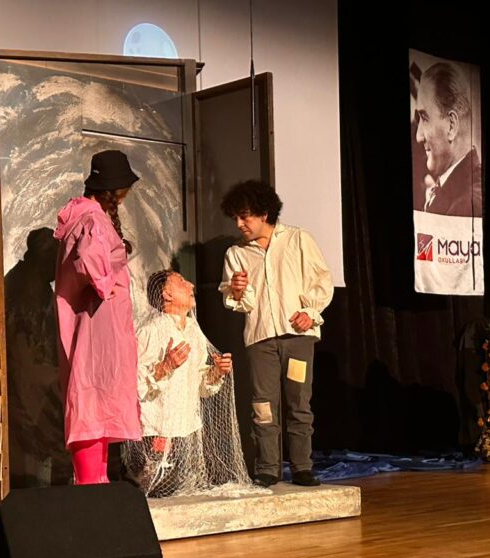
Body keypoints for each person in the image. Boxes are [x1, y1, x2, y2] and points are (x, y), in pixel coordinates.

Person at [218, 180, 334, 487]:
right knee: (263, 406)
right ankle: (268, 467)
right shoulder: (236, 254)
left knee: (299, 403)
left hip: (296, 338)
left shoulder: (297, 239)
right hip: (261, 340)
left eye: (245, 217)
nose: (239, 224)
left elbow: (322, 282)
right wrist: (237, 290)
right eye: (236, 218)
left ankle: (302, 466)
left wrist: (310, 313)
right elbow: (240, 303)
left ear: (264, 213)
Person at [53, 149, 142, 484]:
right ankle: (91, 485)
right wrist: (106, 285)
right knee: (92, 401)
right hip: (96, 326)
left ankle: (96, 483)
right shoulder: (92, 220)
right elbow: (89, 258)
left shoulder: (88, 216)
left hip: (97, 323)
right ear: (113, 189)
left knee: (98, 403)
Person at [125, 270, 253, 497]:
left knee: (183, 493)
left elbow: (201, 387)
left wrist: (216, 372)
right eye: (181, 282)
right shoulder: (150, 331)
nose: (191, 285)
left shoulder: (194, 331)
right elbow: (132, 384)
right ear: (167, 294)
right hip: (156, 431)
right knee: (157, 493)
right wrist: (165, 367)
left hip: (186, 431)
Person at [414, 62, 483, 217]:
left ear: (451, 125)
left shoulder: (466, 204)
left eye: (425, 118)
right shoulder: (456, 191)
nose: (419, 136)